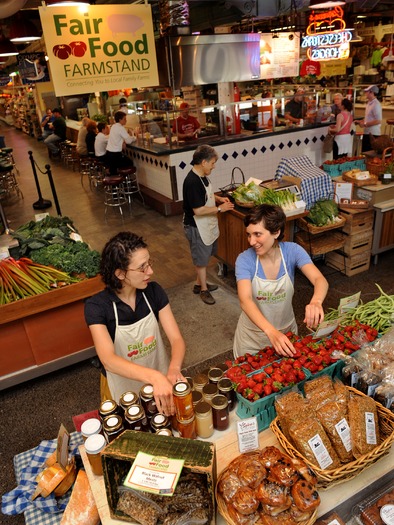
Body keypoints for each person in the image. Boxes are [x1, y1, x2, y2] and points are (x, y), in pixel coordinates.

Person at [84, 231, 186, 414]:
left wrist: (174, 369)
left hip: (161, 382)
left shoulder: (153, 292)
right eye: (142, 268)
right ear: (120, 274)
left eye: (149, 264)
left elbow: (176, 339)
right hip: (124, 390)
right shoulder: (97, 307)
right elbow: (108, 360)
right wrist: (154, 377)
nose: (150, 271)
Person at [233, 204, 328, 358]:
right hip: (253, 338)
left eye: (257, 234)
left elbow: (319, 279)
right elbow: (245, 300)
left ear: (276, 232)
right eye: (249, 234)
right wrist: (270, 331)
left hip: (286, 332)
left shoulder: (293, 251)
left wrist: (316, 301)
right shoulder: (245, 259)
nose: (251, 241)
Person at [182, 145, 234, 305]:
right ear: (203, 162)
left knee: (205, 255)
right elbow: (198, 210)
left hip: (206, 224)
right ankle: (204, 290)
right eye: (212, 163)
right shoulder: (192, 181)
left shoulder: (202, 175)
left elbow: (207, 194)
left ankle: (199, 284)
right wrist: (220, 208)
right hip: (196, 226)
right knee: (201, 261)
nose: (214, 166)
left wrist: (219, 199)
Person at [106, 111, 136, 176]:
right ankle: (124, 180)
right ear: (120, 120)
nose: (126, 120)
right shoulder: (120, 128)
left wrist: (123, 141)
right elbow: (128, 141)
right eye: (124, 119)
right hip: (115, 156)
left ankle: (120, 181)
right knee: (130, 162)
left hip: (109, 154)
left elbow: (118, 139)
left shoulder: (113, 126)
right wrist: (134, 137)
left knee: (113, 171)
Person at [355, 85, 382, 152]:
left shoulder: (376, 104)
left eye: (367, 92)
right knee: (365, 153)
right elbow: (369, 118)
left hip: (373, 134)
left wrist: (365, 124)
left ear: (372, 92)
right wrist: (361, 122)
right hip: (367, 132)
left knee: (370, 154)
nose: (365, 93)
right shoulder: (369, 103)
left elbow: (378, 120)